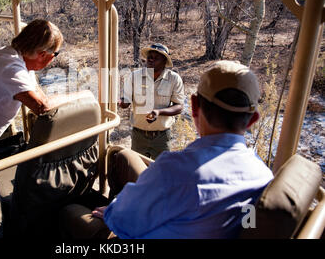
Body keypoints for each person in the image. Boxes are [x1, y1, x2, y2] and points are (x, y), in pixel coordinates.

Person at [61, 60, 274, 239]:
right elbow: (247, 222)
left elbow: (122, 222)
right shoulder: (263, 176)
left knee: (71, 212)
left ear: (194, 106)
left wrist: (112, 209)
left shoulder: (175, 169)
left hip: (137, 224)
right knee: (125, 156)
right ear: (253, 119)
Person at [119, 43, 184, 159]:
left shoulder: (174, 79)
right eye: (149, 57)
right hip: (138, 135)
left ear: (164, 62)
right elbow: (126, 101)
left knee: (161, 172)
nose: (151, 60)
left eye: (156, 58)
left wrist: (159, 112)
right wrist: (121, 103)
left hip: (161, 137)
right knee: (137, 171)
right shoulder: (134, 76)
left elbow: (179, 106)